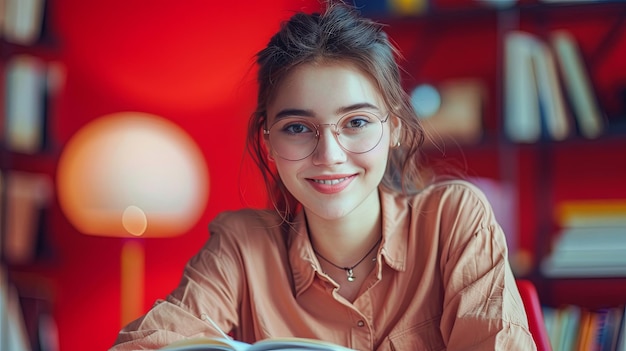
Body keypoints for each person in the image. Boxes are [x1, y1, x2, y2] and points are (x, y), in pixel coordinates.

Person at [111, 1, 536, 350]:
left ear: (395, 130)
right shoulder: (242, 245)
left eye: (356, 122)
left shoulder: (453, 218)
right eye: (298, 128)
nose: (329, 155)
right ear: (268, 141)